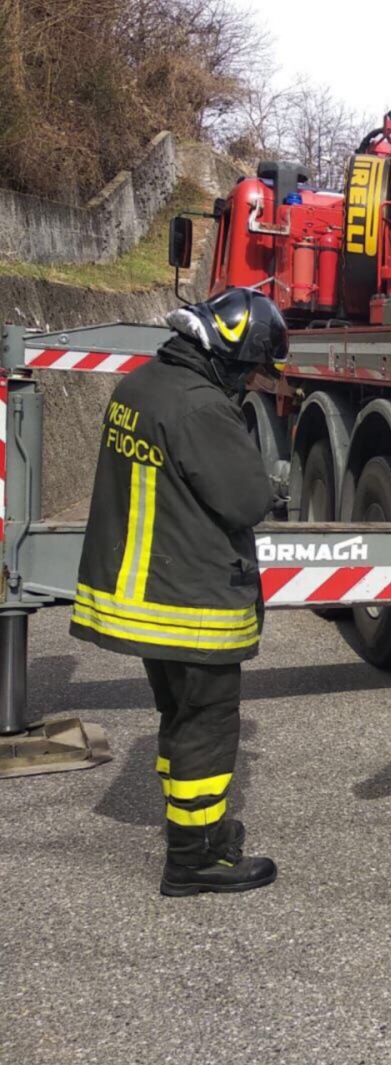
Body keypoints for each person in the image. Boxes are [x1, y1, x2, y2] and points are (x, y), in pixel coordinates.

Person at [71, 287, 289, 897]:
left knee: (179, 716)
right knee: (207, 726)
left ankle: (199, 829)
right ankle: (194, 860)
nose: (250, 379)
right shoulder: (201, 408)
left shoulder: (140, 386)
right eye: (250, 366)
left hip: (146, 594)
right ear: (228, 354)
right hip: (190, 601)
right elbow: (245, 500)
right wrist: (268, 482)